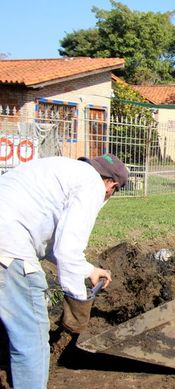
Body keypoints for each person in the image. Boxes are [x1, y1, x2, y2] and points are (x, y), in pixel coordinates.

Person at [0, 153, 128, 389]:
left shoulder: (61, 170)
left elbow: (50, 244)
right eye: (112, 192)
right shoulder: (92, 184)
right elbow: (68, 249)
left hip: (8, 236)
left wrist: (88, 270)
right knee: (32, 339)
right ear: (111, 184)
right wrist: (79, 304)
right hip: (8, 246)